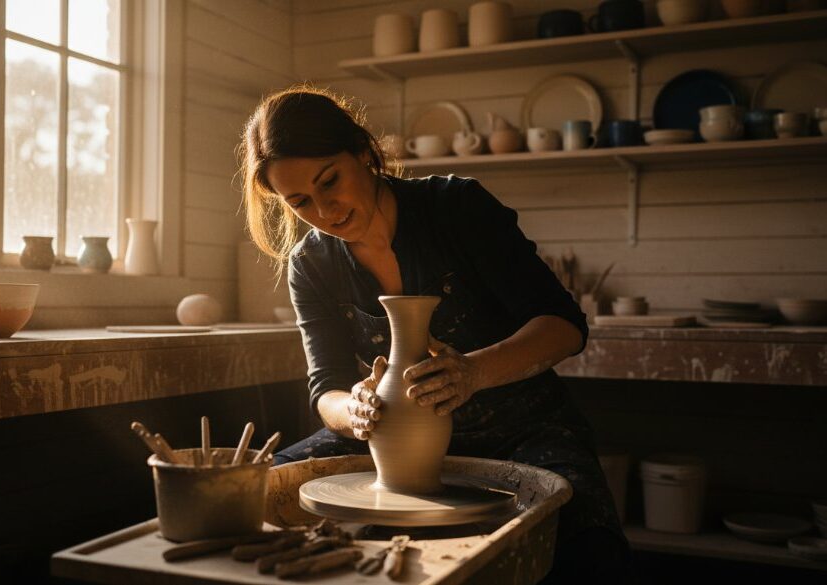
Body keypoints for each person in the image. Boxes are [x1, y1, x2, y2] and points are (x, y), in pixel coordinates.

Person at [238, 86, 630, 584]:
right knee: (254, 497)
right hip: (390, 442)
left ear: (362, 152)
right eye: (300, 202)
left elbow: (563, 326)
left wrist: (473, 372)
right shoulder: (311, 263)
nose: (325, 210)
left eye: (330, 180)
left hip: (522, 429)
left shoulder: (456, 207)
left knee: (585, 545)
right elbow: (326, 389)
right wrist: (354, 410)